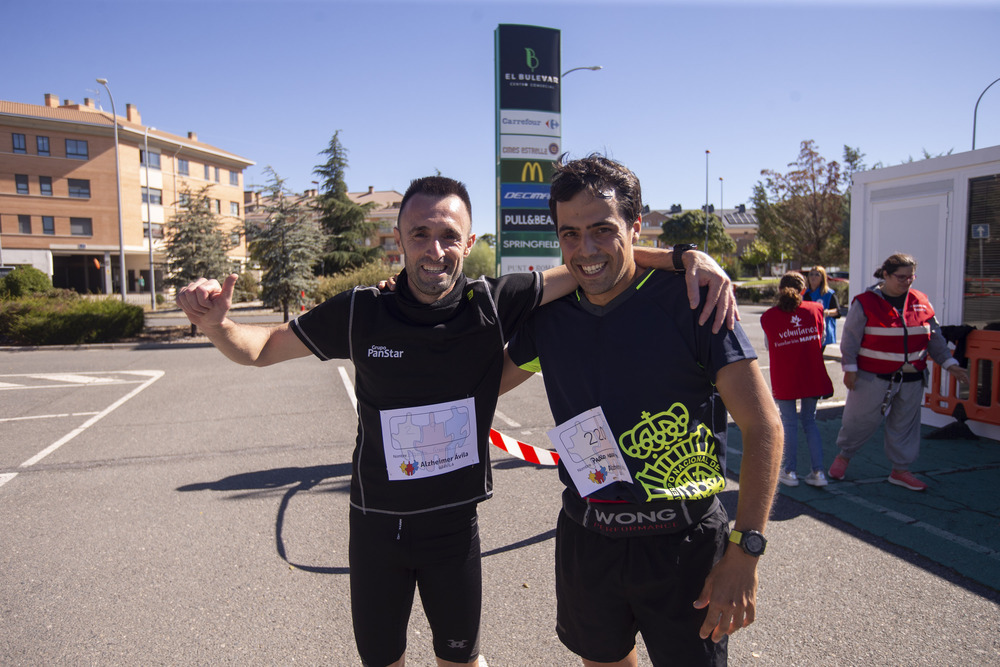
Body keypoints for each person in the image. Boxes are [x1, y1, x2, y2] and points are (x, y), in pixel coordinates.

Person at [176, 175, 737, 667]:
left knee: (460, 657)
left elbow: (593, 265)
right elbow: (260, 349)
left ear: (470, 244)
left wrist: (687, 255)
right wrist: (218, 325)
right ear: (398, 240)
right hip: (376, 529)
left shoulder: (494, 304)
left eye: (449, 236)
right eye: (419, 234)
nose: (434, 249)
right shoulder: (359, 311)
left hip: (453, 528)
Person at [501, 155, 782, 667]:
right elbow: (481, 385)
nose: (586, 249)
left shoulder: (694, 299)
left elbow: (763, 426)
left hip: (685, 543)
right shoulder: (550, 318)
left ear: (635, 227)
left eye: (603, 230)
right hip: (588, 537)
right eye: (570, 234)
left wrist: (745, 551)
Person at [829, 253, 970, 492]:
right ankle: (844, 455)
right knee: (859, 421)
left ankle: (900, 470)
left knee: (905, 425)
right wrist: (849, 369)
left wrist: (950, 364)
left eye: (911, 277)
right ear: (885, 275)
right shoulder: (865, 302)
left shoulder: (922, 301)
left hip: (912, 377)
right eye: (901, 277)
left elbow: (934, 338)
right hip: (872, 377)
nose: (907, 282)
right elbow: (850, 340)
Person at [760, 271, 833, 488]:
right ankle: (818, 472)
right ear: (804, 290)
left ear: (780, 290)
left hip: (786, 375)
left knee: (789, 423)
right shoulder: (816, 310)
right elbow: (822, 340)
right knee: (810, 422)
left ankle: (790, 471)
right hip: (811, 373)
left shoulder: (769, 316)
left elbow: (768, 344)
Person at [802, 266, 840, 351]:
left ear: (822, 278)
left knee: (816, 356)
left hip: (822, 332)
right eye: (811, 274)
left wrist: (826, 312)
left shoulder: (828, 293)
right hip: (806, 331)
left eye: (817, 275)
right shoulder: (804, 293)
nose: (813, 277)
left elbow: (837, 311)